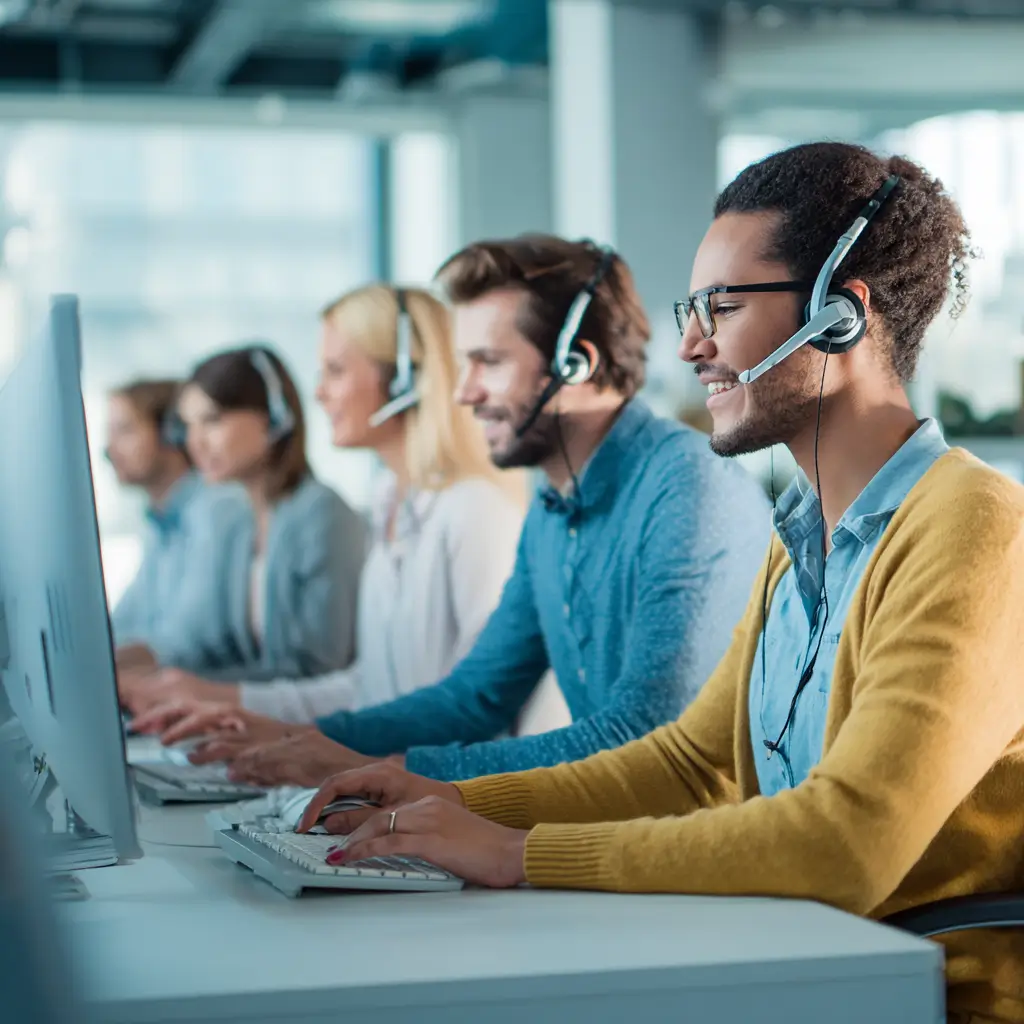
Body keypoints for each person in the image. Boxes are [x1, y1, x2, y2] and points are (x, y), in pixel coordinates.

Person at [297, 144, 1024, 1023]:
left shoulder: (974, 524)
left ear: (841, 315)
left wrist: (520, 853)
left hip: (926, 997)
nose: (691, 344)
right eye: (693, 307)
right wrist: (447, 801)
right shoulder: (799, 534)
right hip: (798, 968)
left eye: (721, 305)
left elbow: (850, 841)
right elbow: (690, 760)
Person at [134, 235, 771, 787]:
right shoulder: (553, 504)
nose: (463, 392)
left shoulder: (686, 486)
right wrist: (304, 740)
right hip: (627, 833)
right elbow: (474, 697)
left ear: (577, 364)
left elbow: (643, 734)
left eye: (488, 363)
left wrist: (390, 772)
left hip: (705, 869)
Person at [126, 285, 524, 724]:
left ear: (403, 378)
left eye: (335, 371)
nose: (317, 394)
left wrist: (327, 750)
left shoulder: (474, 510)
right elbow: (367, 688)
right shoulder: (390, 503)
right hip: (397, 778)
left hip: (439, 786)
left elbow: (483, 712)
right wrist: (236, 708)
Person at [119, 344, 367, 707]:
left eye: (213, 420)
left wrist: (195, 691)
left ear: (274, 418)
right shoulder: (239, 522)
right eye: (188, 426)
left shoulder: (321, 516)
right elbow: (211, 647)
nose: (195, 442)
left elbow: (314, 669)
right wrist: (147, 683)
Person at [106, 378, 246, 672]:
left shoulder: (215, 509)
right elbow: (125, 621)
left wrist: (100, 662)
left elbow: (187, 642)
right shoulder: (158, 524)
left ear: (171, 433)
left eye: (125, 431)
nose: (108, 449)